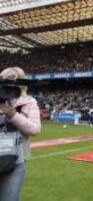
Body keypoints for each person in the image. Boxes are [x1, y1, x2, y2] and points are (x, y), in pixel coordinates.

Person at [0, 67, 41, 201]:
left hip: (16, 161)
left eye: (16, 80)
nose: (12, 84)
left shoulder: (30, 102)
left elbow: (35, 130)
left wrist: (13, 115)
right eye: (7, 80)